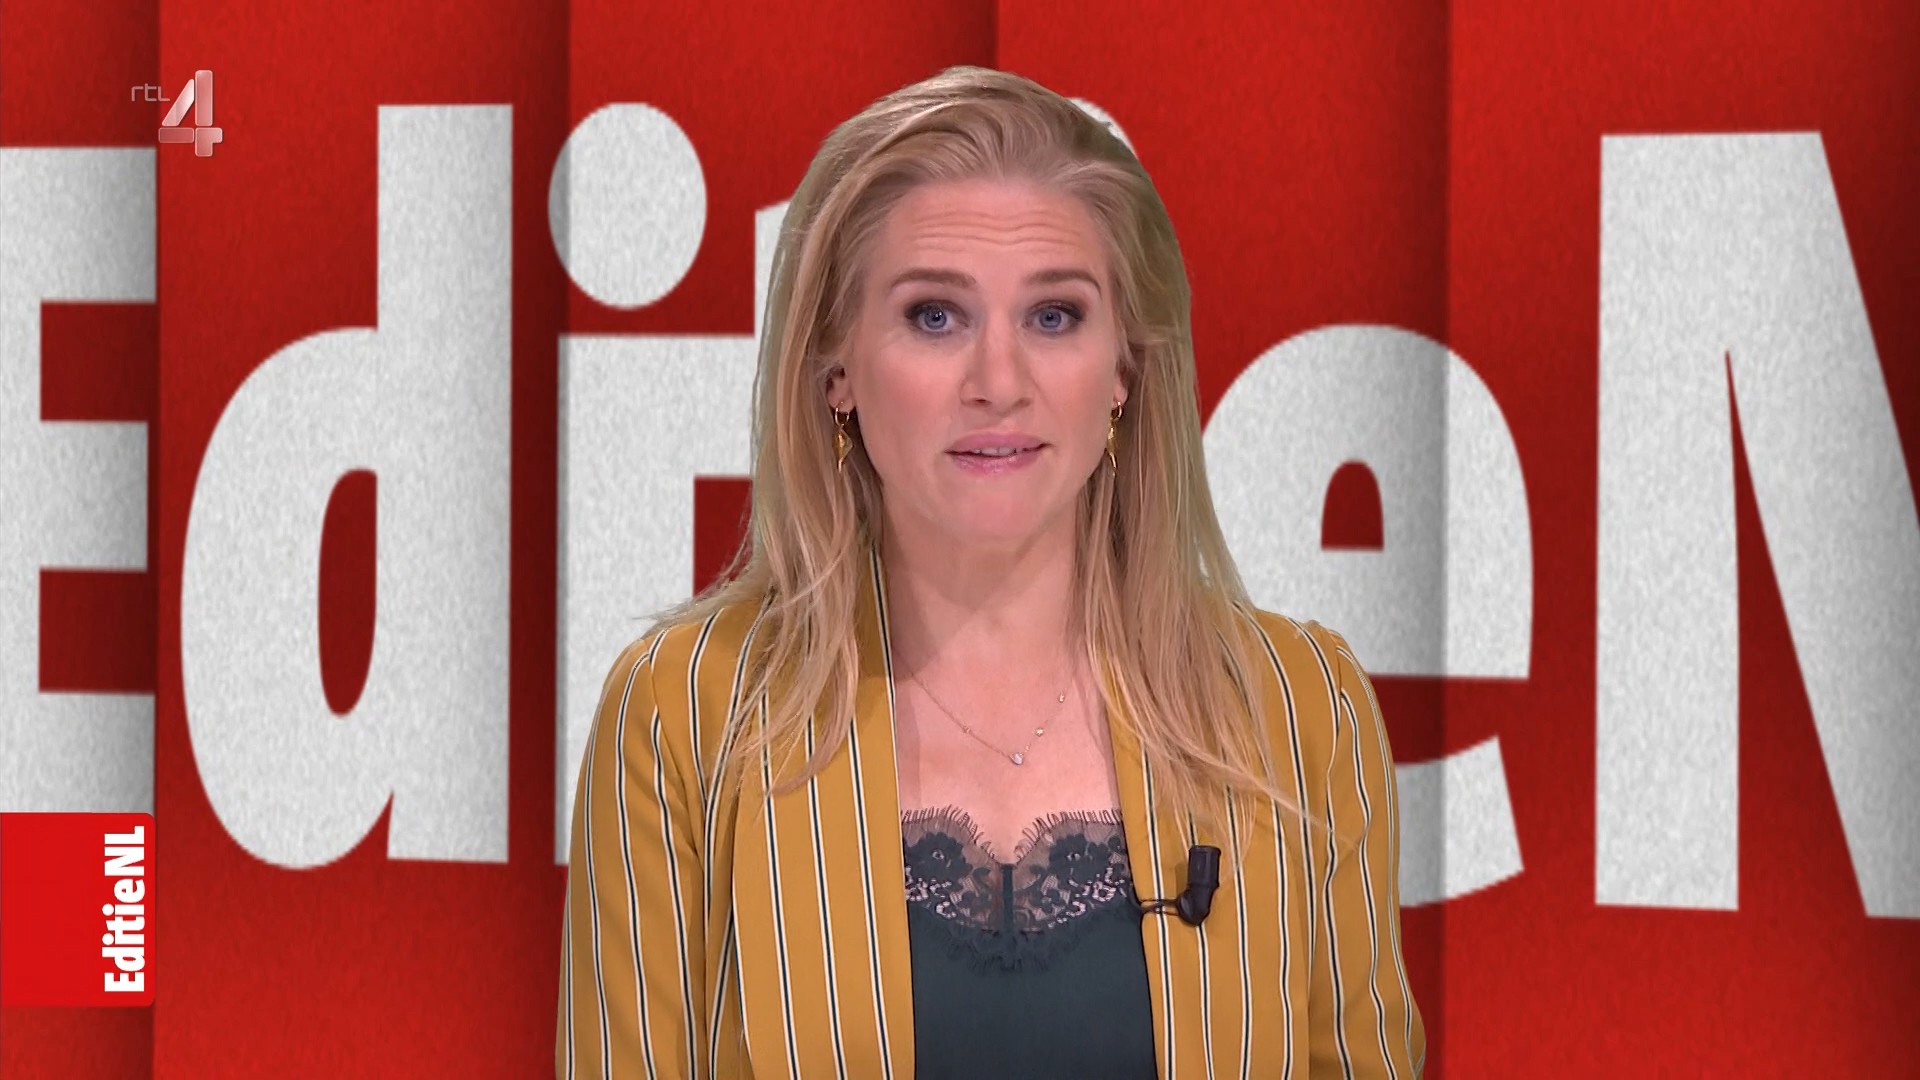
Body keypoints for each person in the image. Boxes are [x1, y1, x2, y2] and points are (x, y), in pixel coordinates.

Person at [558, 64, 1425, 1079]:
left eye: (1054, 317)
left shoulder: (1299, 709)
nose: (999, 382)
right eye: (936, 316)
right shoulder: (687, 714)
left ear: (1124, 370)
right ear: (836, 370)